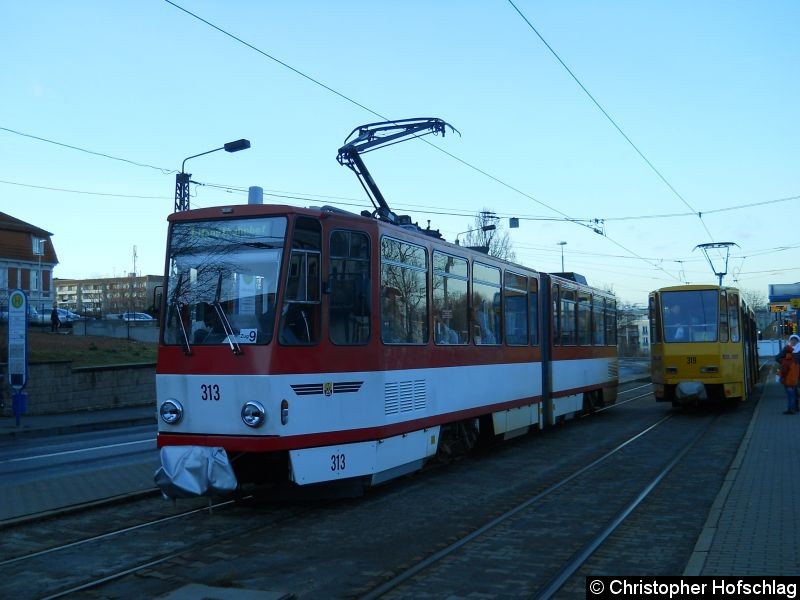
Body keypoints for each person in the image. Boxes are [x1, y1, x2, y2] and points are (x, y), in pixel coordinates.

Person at [777, 334, 800, 414]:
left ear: (798, 341)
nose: (793, 341)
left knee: (793, 392)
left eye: (795, 340)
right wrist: (784, 362)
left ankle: (793, 408)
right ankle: (795, 407)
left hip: (796, 373)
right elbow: (777, 357)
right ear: (790, 341)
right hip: (790, 373)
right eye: (792, 340)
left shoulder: (797, 349)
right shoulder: (787, 349)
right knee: (793, 391)